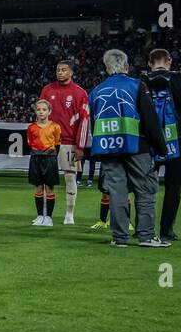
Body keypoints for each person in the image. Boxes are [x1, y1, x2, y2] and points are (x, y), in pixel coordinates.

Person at [89, 48, 168, 247]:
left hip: (107, 148)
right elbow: (150, 120)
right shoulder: (137, 85)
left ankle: (119, 238)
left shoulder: (96, 91)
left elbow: (92, 124)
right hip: (136, 146)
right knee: (145, 190)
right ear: (126, 66)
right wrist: (161, 148)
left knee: (117, 193)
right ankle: (146, 236)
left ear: (107, 68)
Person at [144, 48, 181, 242]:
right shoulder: (180, 80)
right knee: (173, 186)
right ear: (169, 62)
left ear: (150, 63)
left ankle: (143, 228)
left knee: (144, 185)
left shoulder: (141, 81)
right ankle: (166, 230)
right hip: (176, 138)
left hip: (148, 139)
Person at [40, 60, 91, 227]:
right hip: (48, 144)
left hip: (68, 143)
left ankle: (69, 213)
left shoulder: (80, 93)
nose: (60, 72)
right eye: (58, 70)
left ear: (71, 73)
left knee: (70, 178)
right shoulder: (47, 90)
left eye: (63, 70)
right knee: (46, 180)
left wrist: (80, 146)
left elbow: (84, 121)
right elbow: (40, 116)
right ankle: (46, 215)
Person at [27, 99, 61, 227]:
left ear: (49, 112)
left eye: (44, 109)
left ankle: (49, 218)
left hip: (50, 158)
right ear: (35, 111)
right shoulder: (31, 128)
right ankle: (40, 215)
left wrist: (51, 155)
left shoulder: (55, 127)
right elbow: (30, 143)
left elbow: (57, 144)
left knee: (50, 188)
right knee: (38, 188)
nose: (41, 112)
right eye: (39, 109)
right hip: (36, 158)